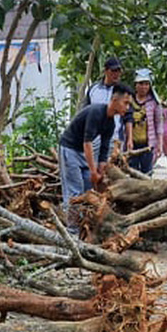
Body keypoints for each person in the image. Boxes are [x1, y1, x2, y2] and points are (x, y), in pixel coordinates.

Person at [58, 83, 135, 235]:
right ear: (114, 100)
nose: (127, 108)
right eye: (125, 103)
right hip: (70, 149)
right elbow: (87, 143)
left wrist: (100, 172)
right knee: (75, 193)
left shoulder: (111, 123)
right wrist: (93, 171)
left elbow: (104, 150)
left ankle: (84, 227)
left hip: (83, 153)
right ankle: (72, 233)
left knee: (88, 190)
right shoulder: (96, 112)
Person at [85, 56, 125, 158]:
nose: (116, 74)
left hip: (114, 139)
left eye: (118, 71)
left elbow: (127, 116)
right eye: (113, 71)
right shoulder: (93, 89)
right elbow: (86, 111)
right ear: (106, 71)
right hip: (94, 138)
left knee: (110, 170)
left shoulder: (122, 91)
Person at [126, 69, 165, 174]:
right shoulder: (129, 100)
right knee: (132, 171)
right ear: (135, 85)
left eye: (146, 84)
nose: (143, 87)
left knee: (147, 172)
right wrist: (128, 139)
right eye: (141, 84)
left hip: (148, 145)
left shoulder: (154, 102)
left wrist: (160, 144)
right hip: (132, 144)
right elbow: (126, 120)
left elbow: (159, 124)